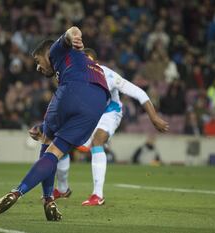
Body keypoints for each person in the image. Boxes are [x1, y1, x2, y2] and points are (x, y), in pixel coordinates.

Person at [0, 26, 111, 221]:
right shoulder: (89, 63)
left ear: (47, 53)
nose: (38, 67)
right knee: (56, 151)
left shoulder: (56, 51)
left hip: (73, 90)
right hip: (96, 107)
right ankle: (49, 202)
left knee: (48, 149)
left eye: (38, 61)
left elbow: (72, 31)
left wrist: (75, 36)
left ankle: (23, 194)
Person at [51, 48, 169, 206]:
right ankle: (63, 188)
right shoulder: (73, 76)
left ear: (96, 62)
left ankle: (97, 195)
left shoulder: (108, 75)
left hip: (109, 113)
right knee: (60, 141)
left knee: (97, 141)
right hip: (88, 116)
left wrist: (153, 117)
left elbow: (139, 92)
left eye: (89, 60)